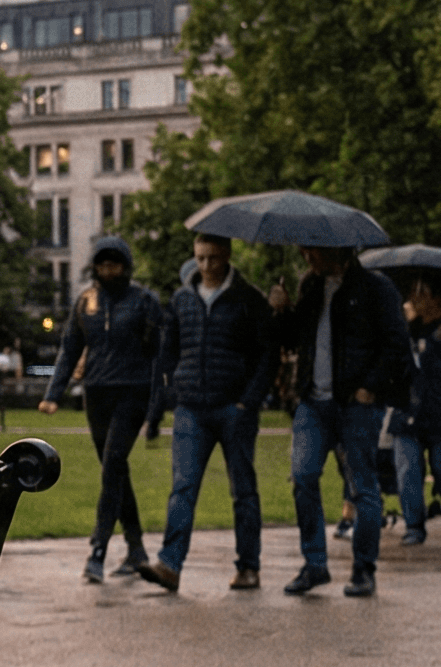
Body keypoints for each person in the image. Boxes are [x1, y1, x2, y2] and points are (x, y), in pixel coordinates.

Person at [138, 235, 273, 593]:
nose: (206, 265)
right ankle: (169, 565)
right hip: (191, 409)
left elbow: (267, 354)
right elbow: (167, 356)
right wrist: (159, 408)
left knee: (243, 491)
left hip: (233, 407)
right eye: (200, 258)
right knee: (182, 488)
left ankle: (248, 567)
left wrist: (249, 402)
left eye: (213, 257)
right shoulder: (182, 299)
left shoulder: (249, 299)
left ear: (227, 254)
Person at [280, 245, 411, 597]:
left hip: (356, 404)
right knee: (303, 476)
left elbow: (396, 344)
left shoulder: (375, 288)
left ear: (336, 248)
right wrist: (282, 311)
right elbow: (293, 339)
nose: (305, 254)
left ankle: (364, 569)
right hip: (314, 401)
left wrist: (370, 387)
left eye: (312, 248)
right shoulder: (310, 286)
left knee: (362, 486)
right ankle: (314, 565)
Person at [39, 236, 167, 584]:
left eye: (115, 264)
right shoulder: (86, 302)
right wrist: (54, 393)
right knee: (116, 471)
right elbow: (70, 347)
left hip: (133, 392)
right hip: (96, 393)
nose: (108, 270)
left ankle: (97, 550)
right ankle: (137, 549)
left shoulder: (144, 301)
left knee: (112, 465)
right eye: (102, 264)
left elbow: (159, 356)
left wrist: (156, 408)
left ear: (125, 266)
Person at [398, 279, 439, 547]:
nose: (414, 298)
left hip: (437, 413)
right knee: (408, 470)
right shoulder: (408, 331)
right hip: (409, 412)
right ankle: (413, 525)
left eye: (422, 292)